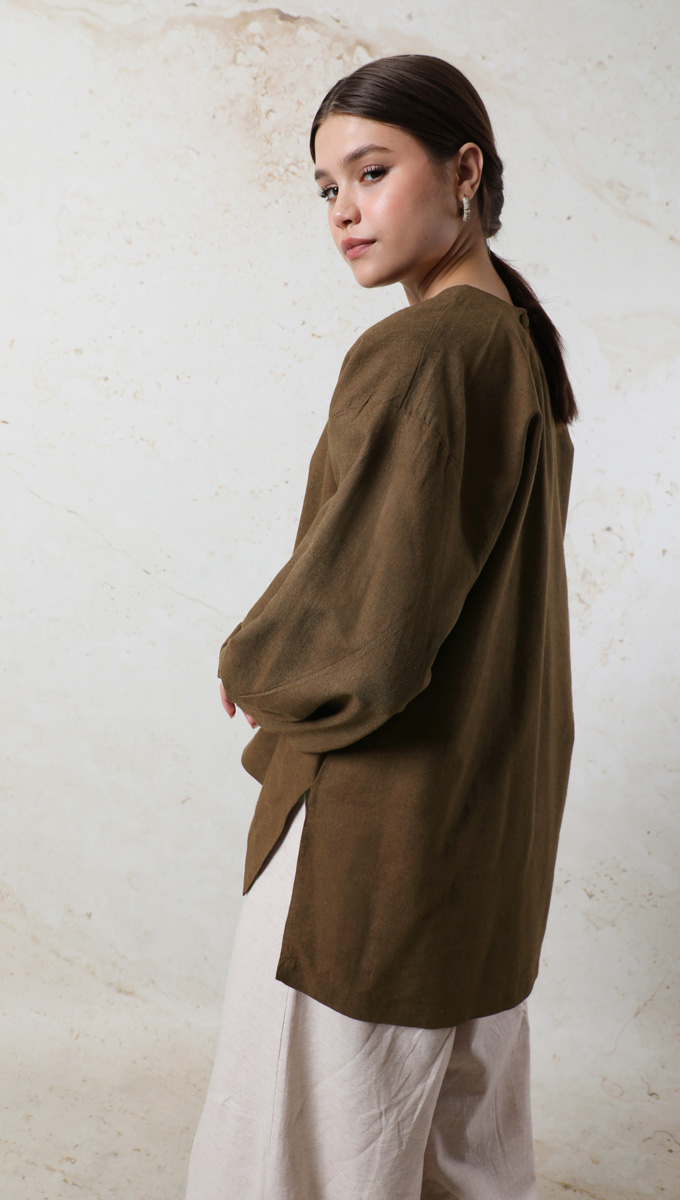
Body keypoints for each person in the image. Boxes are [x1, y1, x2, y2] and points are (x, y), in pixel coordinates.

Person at [185, 52, 577, 1200]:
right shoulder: (514, 339)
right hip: (487, 817)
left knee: (307, 1154)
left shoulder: (426, 348)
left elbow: (368, 617)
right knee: (458, 1142)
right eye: (325, 187)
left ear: (463, 171)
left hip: (378, 831)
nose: (343, 211)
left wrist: (257, 664)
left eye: (370, 171)